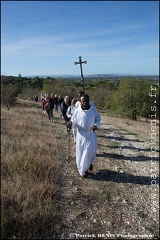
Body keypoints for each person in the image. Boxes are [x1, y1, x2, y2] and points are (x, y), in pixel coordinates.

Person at [67, 94, 101, 178]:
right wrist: (70, 124)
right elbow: (73, 121)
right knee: (82, 153)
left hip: (91, 134)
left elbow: (98, 118)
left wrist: (96, 126)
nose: (85, 102)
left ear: (89, 101)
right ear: (80, 102)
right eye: (83, 101)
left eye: (86, 101)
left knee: (90, 152)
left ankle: (89, 164)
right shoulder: (77, 111)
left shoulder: (93, 110)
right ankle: (84, 170)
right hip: (81, 135)